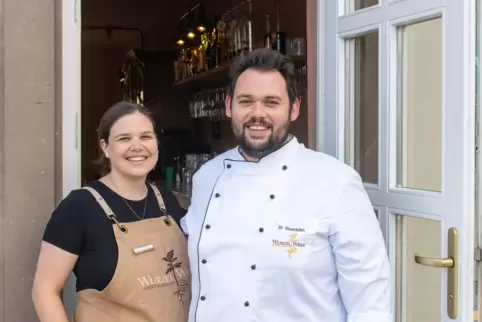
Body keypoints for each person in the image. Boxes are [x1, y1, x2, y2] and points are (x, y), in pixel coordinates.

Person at [180, 48, 391, 322]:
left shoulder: (336, 181)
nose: (258, 114)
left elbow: (370, 301)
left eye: (271, 102)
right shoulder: (206, 177)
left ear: (294, 108)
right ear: (229, 106)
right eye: (246, 101)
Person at [32, 101, 191, 322]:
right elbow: (44, 290)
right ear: (105, 147)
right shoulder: (79, 207)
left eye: (145, 137)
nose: (137, 146)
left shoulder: (166, 201)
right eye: (124, 138)